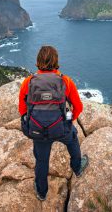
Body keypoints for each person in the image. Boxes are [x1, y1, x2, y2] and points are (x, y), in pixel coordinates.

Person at [18, 45, 89, 201]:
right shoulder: (65, 81)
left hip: (37, 130)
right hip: (61, 128)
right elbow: (78, 107)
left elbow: (22, 109)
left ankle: (42, 192)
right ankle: (77, 167)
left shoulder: (28, 82)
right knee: (73, 138)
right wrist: (69, 120)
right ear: (56, 61)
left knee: (41, 160)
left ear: (38, 62)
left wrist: (31, 121)